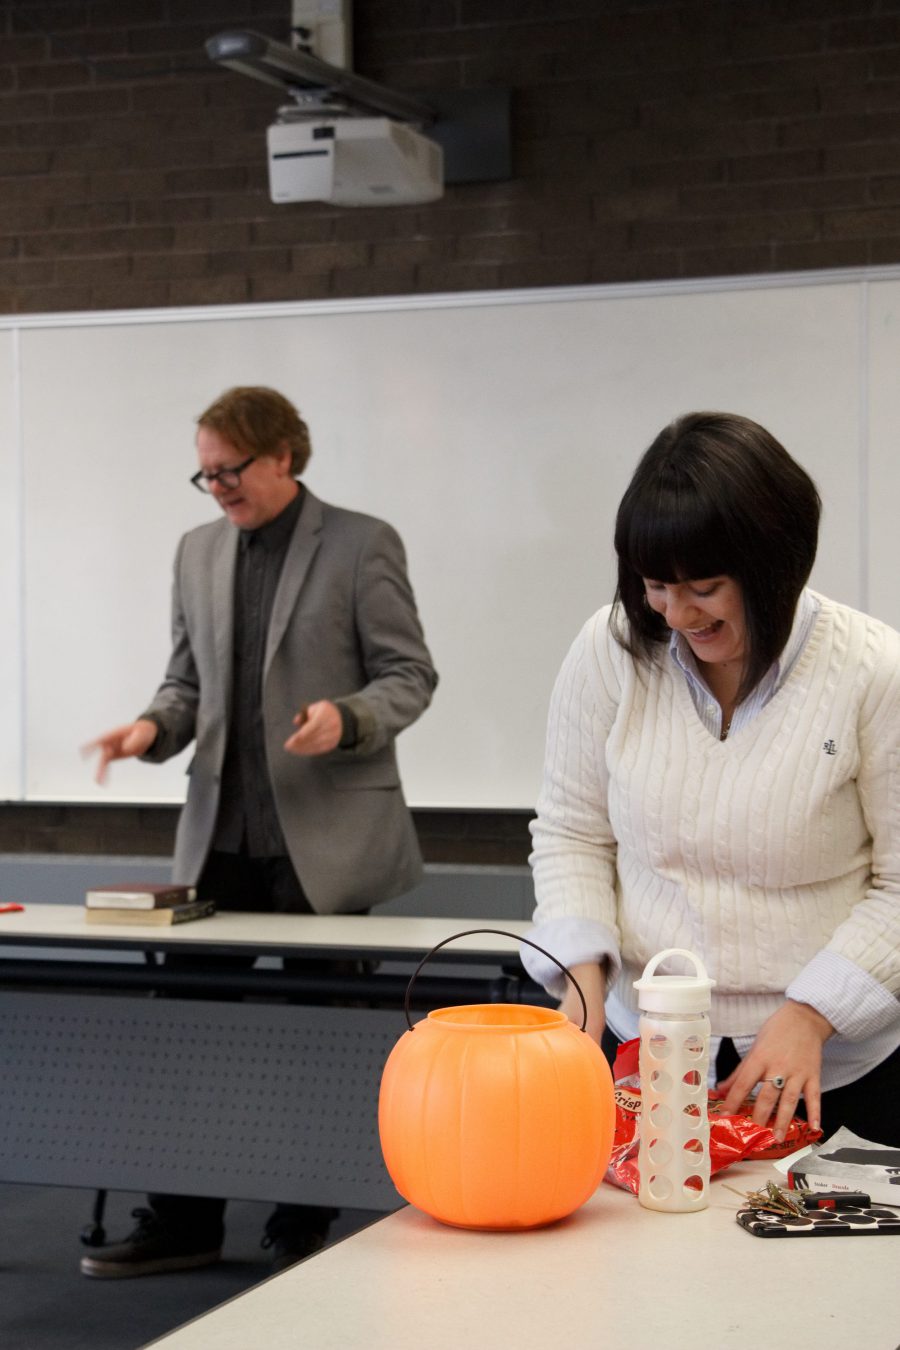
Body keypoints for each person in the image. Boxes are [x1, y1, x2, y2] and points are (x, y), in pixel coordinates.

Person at [82, 385, 437, 1277]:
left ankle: (303, 1215)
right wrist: (150, 730)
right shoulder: (197, 551)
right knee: (188, 1036)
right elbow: (184, 686)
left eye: (229, 470)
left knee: (323, 1034)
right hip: (219, 843)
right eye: (203, 475)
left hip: (324, 846)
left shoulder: (361, 544)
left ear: (283, 455)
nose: (217, 490)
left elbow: (410, 674)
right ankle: (183, 1216)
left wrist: (348, 718)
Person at [522, 411, 900, 1149]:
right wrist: (580, 977)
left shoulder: (871, 672)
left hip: (832, 1067)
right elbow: (572, 833)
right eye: (657, 585)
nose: (676, 613)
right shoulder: (609, 651)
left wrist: (811, 1014)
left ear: (775, 566)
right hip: (648, 1053)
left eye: (704, 587)